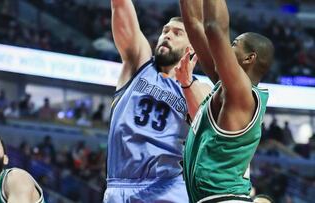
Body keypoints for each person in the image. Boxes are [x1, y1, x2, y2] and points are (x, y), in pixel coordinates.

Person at [104, 0, 210, 202]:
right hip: (119, 185)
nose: (167, 35)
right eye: (165, 31)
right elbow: (120, 5)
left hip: (168, 187)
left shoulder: (200, 88)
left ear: (192, 48)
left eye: (177, 33)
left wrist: (187, 84)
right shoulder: (139, 64)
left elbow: (207, 129)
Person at [178, 0, 274, 202]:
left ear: (249, 59)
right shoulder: (225, 87)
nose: (226, 48)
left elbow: (213, 28)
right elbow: (195, 24)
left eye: (233, 44)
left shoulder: (241, 94)